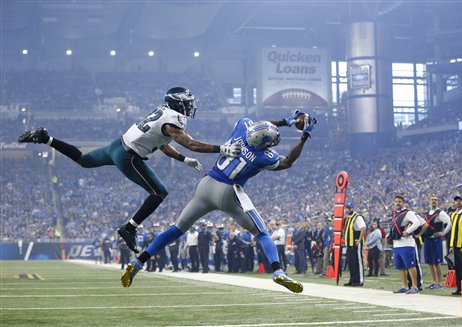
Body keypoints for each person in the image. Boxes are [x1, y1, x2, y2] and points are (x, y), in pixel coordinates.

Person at [18, 87, 241, 253]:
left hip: (118, 145)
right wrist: (221, 148)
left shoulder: (163, 114)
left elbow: (162, 144)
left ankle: (46, 138)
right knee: (160, 192)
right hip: (128, 155)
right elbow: (190, 143)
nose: (190, 106)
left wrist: (183, 160)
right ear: (177, 103)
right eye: (187, 103)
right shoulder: (173, 120)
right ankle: (130, 228)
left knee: (84, 160)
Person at [121, 112, 317, 293]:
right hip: (228, 192)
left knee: (176, 229)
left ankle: (138, 263)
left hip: (205, 186)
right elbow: (289, 161)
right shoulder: (264, 156)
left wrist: (285, 121)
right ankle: (278, 271)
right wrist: (304, 135)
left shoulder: (242, 128)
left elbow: (258, 125)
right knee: (262, 233)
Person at [387, 195, 421, 294]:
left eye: (400, 201)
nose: (398, 203)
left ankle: (414, 286)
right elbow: (394, 227)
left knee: (410, 265)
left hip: (407, 243)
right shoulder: (394, 214)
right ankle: (404, 286)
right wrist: (388, 236)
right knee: (401, 267)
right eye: (396, 201)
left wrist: (408, 231)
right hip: (397, 244)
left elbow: (417, 222)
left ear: (403, 203)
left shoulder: (408, 213)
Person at [423, 195, 452, 290]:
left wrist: (443, 233)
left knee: (436, 262)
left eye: (435, 200)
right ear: (429, 201)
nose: (433, 201)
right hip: (428, 239)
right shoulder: (427, 213)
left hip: (436, 240)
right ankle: (433, 281)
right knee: (430, 262)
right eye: (432, 200)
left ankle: (439, 283)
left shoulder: (440, 213)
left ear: (438, 201)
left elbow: (449, 222)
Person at [343, 201, 366, 286]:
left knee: (358, 261)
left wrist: (359, 240)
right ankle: (352, 279)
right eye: (347, 208)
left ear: (353, 208)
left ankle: (359, 280)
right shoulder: (348, 218)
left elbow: (363, 228)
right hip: (349, 243)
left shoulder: (357, 217)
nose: (348, 210)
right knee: (351, 262)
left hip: (356, 241)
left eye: (349, 208)